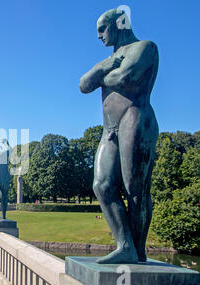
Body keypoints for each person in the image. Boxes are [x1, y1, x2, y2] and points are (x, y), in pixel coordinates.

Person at [79, 9, 160, 264]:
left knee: (134, 189)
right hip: (110, 129)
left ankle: (137, 250)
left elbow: (126, 77)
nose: (100, 36)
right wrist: (103, 66)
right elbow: (83, 85)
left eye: (103, 29)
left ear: (119, 24)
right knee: (101, 185)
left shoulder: (144, 47)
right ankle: (125, 245)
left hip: (135, 119)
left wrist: (103, 75)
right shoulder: (111, 58)